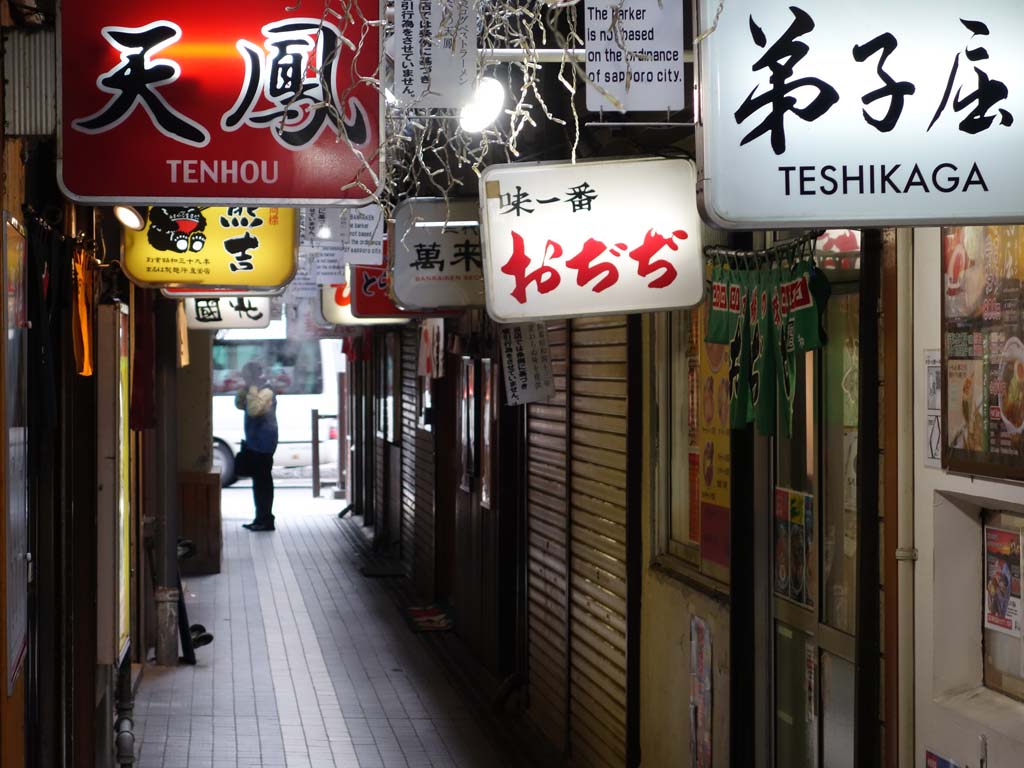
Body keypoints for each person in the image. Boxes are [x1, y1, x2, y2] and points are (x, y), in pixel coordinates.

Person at [235, 361, 278, 531]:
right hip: (255, 442)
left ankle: (266, 519)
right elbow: (239, 404)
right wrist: (245, 390)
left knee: (263, 483)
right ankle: (260, 518)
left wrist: (252, 389)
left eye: (247, 377)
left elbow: (253, 410)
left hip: (265, 444)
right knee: (258, 483)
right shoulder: (253, 390)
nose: (245, 380)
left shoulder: (266, 391)